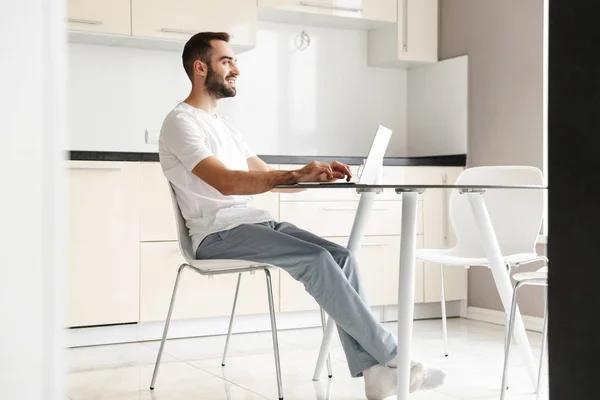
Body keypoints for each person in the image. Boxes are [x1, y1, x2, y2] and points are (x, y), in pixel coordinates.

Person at [158, 31, 446, 400]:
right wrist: (294, 174)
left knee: (342, 257)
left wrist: (311, 175)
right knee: (317, 259)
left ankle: (375, 374)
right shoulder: (181, 122)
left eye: (234, 61)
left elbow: (264, 177)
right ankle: (395, 358)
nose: (236, 70)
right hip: (215, 235)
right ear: (200, 68)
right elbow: (227, 183)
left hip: (250, 223)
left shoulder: (225, 125)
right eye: (226, 61)